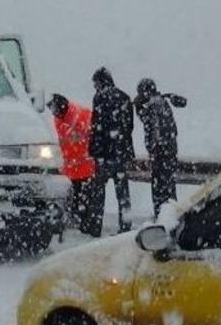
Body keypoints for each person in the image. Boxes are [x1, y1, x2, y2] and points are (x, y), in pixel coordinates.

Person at [87, 67, 134, 236]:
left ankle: (95, 227)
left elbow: (97, 128)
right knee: (123, 194)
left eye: (95, 83)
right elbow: (129, 127)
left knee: (98, 193)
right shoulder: (124, 97)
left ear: (100, 82)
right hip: (121, 153)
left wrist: (95, 151)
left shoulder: (100, 98)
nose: (94, 87)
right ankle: (125, 226)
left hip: (105, 155)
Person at [134, 78, 181, 218]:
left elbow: (150, 126)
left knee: (159, 189)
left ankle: (163, 217)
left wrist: (138, 107)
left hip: (160, 154)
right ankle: (172, 215)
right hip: (169, 152)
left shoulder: (154, 106)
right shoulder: (163, 103)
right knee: (169, 187)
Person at [47, 94, 96, 228]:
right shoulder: (58, 120)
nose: (54, 114)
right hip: (70, 168)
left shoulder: (83, 116)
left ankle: (85, 221)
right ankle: (76, 218)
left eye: (55, 111)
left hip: (85, 167)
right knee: (74, 198)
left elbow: (93, 138)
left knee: (84, 198)